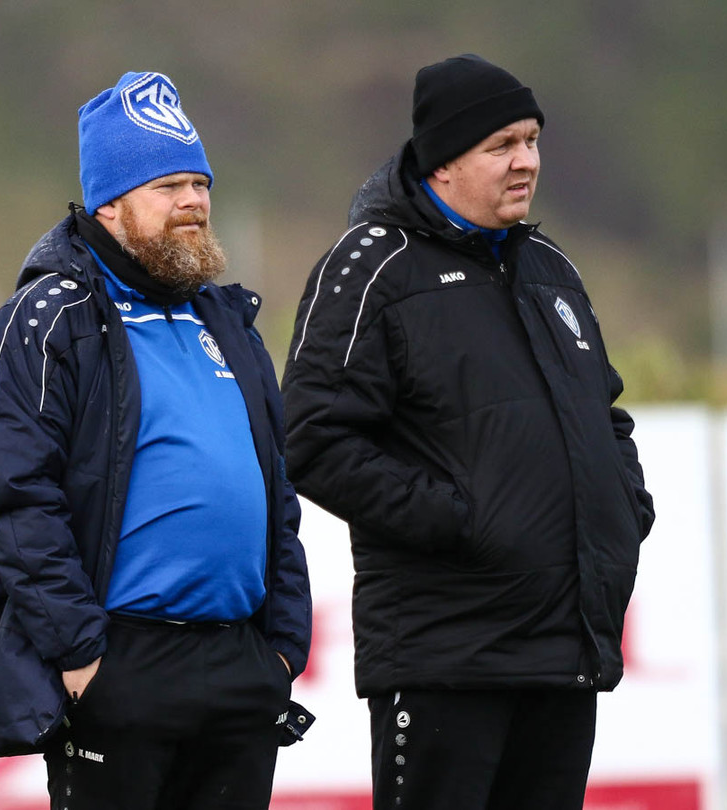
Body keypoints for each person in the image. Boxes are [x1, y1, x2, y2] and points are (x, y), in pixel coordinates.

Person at [0, 70, 312, 810]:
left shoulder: (228, 322)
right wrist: (81, 656)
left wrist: (285, 646)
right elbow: (13, 498)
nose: (193, 201)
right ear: (109, 203)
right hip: (120, 661)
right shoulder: (45, 320)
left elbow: (277, 494)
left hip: (241, 664)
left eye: (200, 183)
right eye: (168, 186)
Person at [282, 54, 654, 810]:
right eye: (502, 145)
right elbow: (313, 439)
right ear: (443, 163)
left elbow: (603, 413)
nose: (527, 161)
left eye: (532, 140)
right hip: (444, 657)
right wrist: (461, 520)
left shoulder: (550, 267)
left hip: (562, 655)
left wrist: (623, 505)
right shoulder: (371, 267)